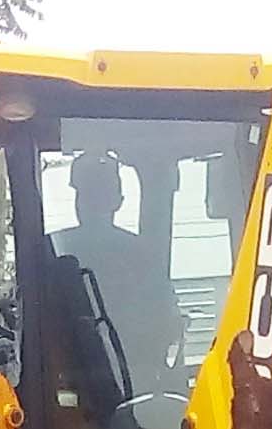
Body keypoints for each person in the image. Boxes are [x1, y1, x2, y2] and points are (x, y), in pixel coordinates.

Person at [54, 151, 183, 393]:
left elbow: (166, 324)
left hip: (103, 384)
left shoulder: (53, 249)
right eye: (88, 194)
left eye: (96, 194)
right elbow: (169, 325)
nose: (90, 203)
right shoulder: (144, 255)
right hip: (123, 383)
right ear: (119, 200)